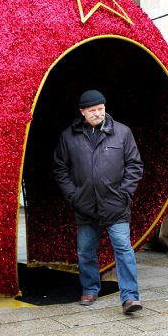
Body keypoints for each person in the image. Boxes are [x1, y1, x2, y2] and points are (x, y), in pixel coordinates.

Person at [53, 89, 144, 314]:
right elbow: (60, 168)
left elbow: (135, 165)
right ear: (82, 112)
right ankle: (90, 289)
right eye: (92, 110)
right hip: (84, 204)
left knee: (123, 248)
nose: (98, 113)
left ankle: (130, 297)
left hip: (116, 203)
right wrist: (73, 195)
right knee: (85, 250)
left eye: (101, 109)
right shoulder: (69, 136)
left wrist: (125, 193)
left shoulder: (123, 132)